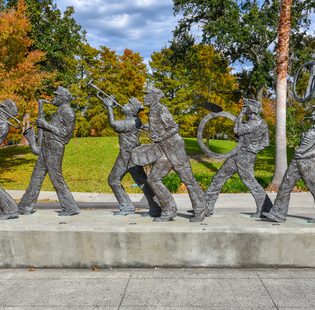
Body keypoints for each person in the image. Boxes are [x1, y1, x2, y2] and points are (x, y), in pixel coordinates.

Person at [142, 85, 207, 222]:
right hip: (165, 149)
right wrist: (147, 127)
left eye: (147, 94)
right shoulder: (153, 111)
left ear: (154, 97)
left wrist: (161, 137)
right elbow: (160, 127)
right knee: (153, 179)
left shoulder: (161, 109)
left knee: (188, 180)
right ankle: (169, 209)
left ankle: (200, 209)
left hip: (174, 148)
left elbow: (174, 128)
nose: (144, 97)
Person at [263, 101, 315, 223]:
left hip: (308, 162)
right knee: (285, 185)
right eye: (313, 111)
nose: (313, 113)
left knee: (314, 187)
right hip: (298, 160)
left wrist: (303, 154)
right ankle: (278, 213)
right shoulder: (312, 127)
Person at [18, 86, 80, 216]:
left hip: (55, 148)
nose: (54, 98)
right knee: (36, 177)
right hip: (47, 146)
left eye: (57, 96)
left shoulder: (68, 113)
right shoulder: (59, 111)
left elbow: (65, 134)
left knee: (56, 178)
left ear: (63, 99)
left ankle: (70, 207)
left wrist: (45, 125)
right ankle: (24, 207)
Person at [205, 99, 272, 217]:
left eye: (245, 107)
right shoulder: (258, 123)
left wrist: (251, 149)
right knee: (218, 177)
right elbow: (265, 143)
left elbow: (237, 130)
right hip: (237, 154)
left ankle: (266, 208)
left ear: (251, 109)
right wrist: (252, 145)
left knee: (250, 182)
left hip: (245, 156)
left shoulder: (256, 124)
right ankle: (206, 207)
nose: (243, 109)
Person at [103, 96, 161, 216]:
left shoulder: (130, 122)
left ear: (131, 110)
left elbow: (112, 123)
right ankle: (155, 207)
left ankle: (128, 206)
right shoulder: (135, 120)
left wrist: (109, 107)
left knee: (113, 180)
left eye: (128, 104)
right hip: (131, 154)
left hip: (127, 155)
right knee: (142, 182)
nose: (124, 104)